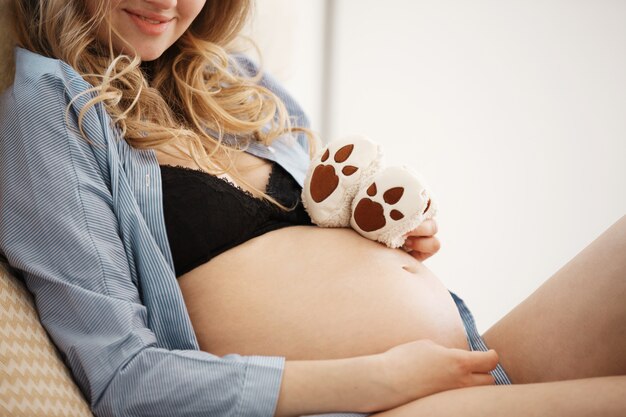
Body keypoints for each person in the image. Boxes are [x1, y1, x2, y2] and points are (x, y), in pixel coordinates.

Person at [0, 1, 624, 416]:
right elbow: (125, 379)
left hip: (463, 360)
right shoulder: (50, 113)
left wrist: (385, 237)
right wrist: (384, 376)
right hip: (372, 404)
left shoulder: (238, 83)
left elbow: (305, 246)